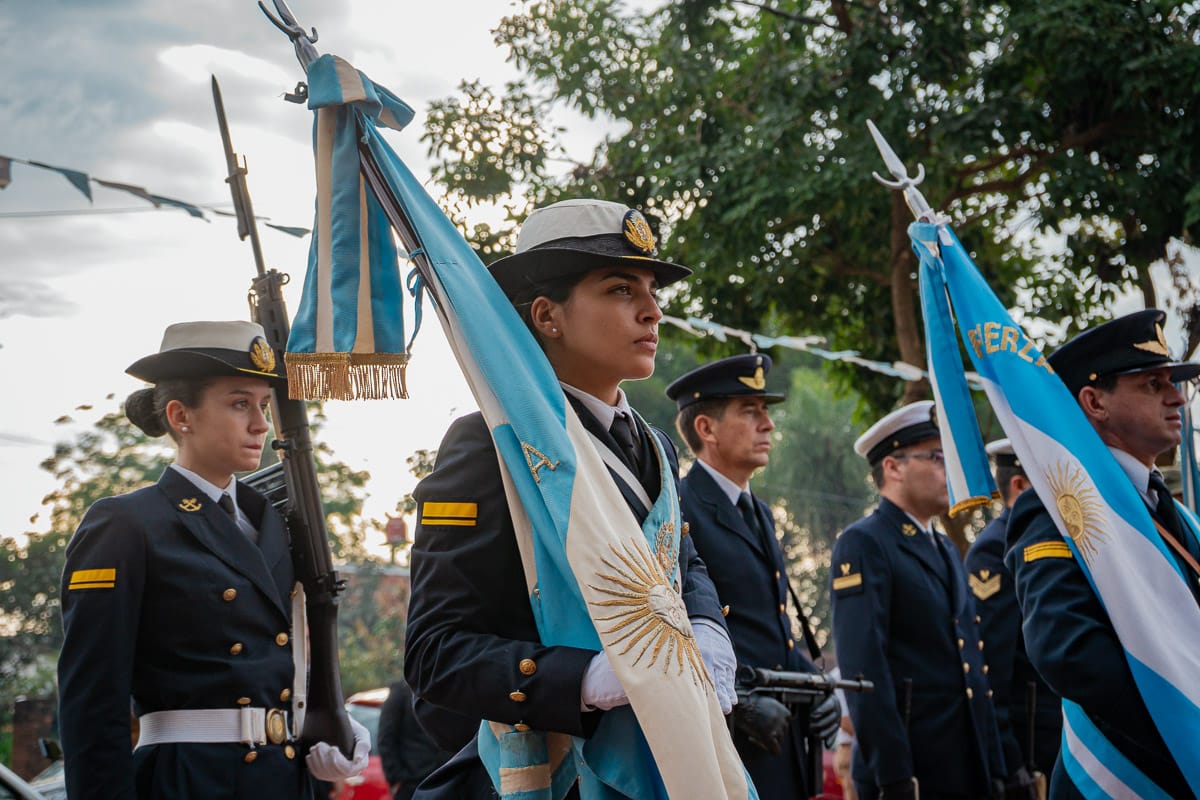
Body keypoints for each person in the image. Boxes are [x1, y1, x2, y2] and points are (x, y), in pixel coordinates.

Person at [404, 199, 738, 798]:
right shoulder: (489, 444)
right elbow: (435, 652)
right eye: (619, 289)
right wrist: (586, 678)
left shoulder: (656, 445)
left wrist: (709, 629)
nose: (652, 311)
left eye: (652, 291)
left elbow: (680, 564)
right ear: (547, 317)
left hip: (668, 758)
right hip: (551, 773)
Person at [57, 320, 369, 800]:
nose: (261, 424)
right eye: (240, 403)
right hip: (188, 779)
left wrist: (322, 722)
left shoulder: (278, 522)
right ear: (182, 417)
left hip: (283, 781)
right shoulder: (124, 524)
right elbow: (92, 701)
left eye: (264, 405)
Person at [1005, 309, 1200, 798]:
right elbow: (1067, 649)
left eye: (1172, 383)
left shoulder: (1170, 510)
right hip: (1131, 774)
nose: (1177, 397)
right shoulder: (1060, 505)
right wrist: (1182, 719)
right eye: (1153, 384)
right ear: (1094, 402)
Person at [666, 353, 840, 798]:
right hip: (728, 736)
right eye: (751, 412)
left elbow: (771, 630)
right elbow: (673, 630)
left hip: (780, 734)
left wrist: (819, 687)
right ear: (706, 429)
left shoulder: (759, 513)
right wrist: (740, 704)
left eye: (766, 412)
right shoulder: (680, 509)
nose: (769, 425)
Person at [830, 401, 1010, 800]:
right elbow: (865, 668)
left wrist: (997, 766)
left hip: (965, 762)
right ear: (893, 467)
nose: (949, 469)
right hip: (911, 769)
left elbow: (973, 669)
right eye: (936, 457)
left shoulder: (945, 548)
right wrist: (893, 776)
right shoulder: (865, 543)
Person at [964, 440, 1060, 792]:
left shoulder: (1056, 539)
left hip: (1057, 732)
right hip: (1030, 743)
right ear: (1019, 485)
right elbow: (991, 666)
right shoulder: (995, 549)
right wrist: (1008, 759)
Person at [377, 680, 452, 800]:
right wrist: (396, 779)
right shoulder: (401, 691)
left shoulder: (449, 687)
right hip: (411, 782)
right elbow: (386, 737)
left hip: (447, 781)